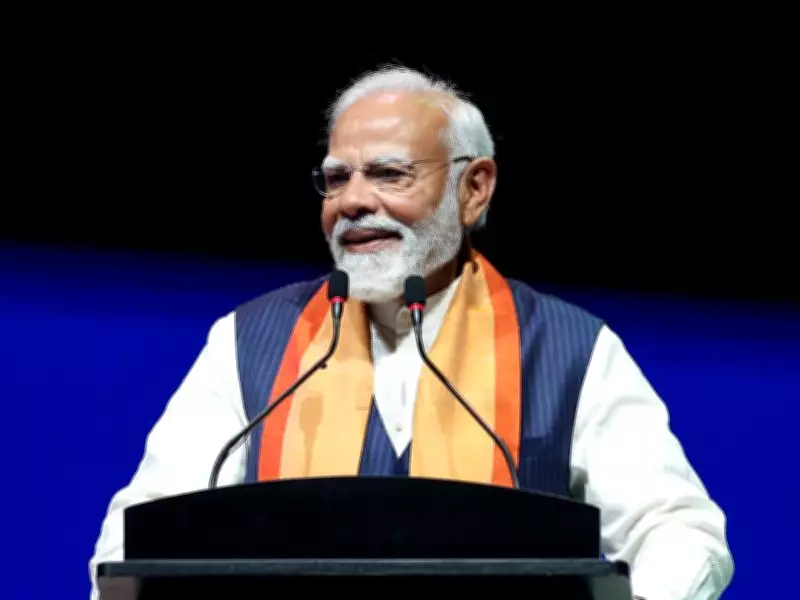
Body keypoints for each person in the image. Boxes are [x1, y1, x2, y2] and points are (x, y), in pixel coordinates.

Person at [89, 66, 733, 599]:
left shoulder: (568, 350)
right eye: (336, 178)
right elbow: (138, 534)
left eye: (390, 174)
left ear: (473, 189)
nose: (353, 201)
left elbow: (677, 530)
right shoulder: (249, 343)